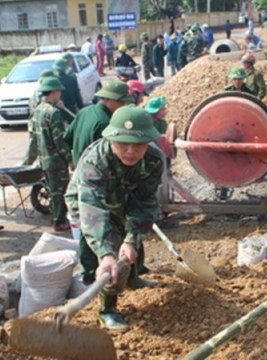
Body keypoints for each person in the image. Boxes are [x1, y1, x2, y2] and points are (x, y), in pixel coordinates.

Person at [65, 105, 163, 331]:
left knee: (131, 241)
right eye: (122, 144)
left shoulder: (154, 160)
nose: (130, 151)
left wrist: (132, 238)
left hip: (125, 198)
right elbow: (93, 209)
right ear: (110, 139)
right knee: (111, 254)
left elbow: (144, 202)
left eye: (137, 144)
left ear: (148, 142)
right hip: (88, 203)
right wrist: (105, 253)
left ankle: (133, 277)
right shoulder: (94, 162)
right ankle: (107, 310)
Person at [24, 77, 73, 232]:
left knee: (52, 190)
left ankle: (55, 216)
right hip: (56, 161)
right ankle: (59, 221)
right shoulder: (54, 113)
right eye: (58, 91)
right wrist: (70, 159)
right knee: (59, 192)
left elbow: (33, 138)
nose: (60, 94)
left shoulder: (37, 110)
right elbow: (59, 141)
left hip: (44, 160)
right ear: (53, 92)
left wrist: (28, 160)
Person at [52, 59, 84, 124]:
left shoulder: (55, 81)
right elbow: (77, 95)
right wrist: (81, 107)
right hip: (71, 108)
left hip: (59, 108)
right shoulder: (72, 79)